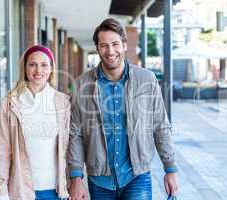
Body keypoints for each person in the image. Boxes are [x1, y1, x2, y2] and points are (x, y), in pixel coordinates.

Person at [68, 18, 178, 200]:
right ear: (97, 48)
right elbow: (76, 134)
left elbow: (160, 126)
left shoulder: (147, 80)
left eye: (115, 44)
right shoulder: (82, 84)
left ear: (125, 45)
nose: (110, 51)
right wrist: (76, 176)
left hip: (137, 176)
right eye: (104, 45)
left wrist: (170, 168)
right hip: (99, 180)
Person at [0, 45, 70, 200]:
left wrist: (72, 182)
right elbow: (2, 150)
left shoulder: (62, 102)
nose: (38, 70)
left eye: (44, 65)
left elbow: (69, 146)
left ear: (51, 68)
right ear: (25, 68)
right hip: (21, 190)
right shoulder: (11, 103)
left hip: (55, 190)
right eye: (32, 64)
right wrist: (2, 192)